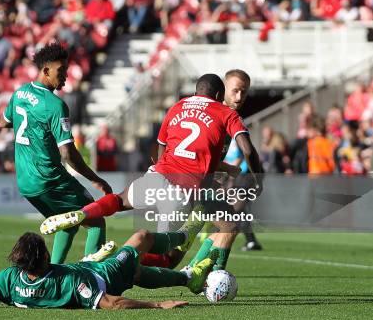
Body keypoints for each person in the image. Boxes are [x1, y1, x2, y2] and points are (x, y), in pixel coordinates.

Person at [41, 72, 263, 268]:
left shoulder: (177, 107)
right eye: (235, 91)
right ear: (219, 94)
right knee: (168, 259)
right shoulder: (226, 114)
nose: (239, 97)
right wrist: (258, 178)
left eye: (243, 92)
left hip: (159, 174)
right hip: (182, 191)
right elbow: (248, 151)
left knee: (119, 200)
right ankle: (119, 260)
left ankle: (83, 213)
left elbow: (165, 148)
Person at [0, 229, 218, 309]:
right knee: (141, 238)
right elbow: (112, 302)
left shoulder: (9, 282)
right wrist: (159, 305)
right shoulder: (71, 281)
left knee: (139, 274)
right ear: (44, 259)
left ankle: (187, 278)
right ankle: (184, 235)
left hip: (86, 271)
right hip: (103, 276)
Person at [0, 43, 112, 264]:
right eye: (61, 72)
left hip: (25, 182)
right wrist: (96, 180)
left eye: (66, 71)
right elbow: (68, 154)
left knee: (67, 223)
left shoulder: (19, 92)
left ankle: (51, 273)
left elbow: (3, 122)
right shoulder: (55, 106)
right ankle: (90, 276)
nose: (65, 77)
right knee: (95, 218)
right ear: (45, 71)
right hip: (49, 178)